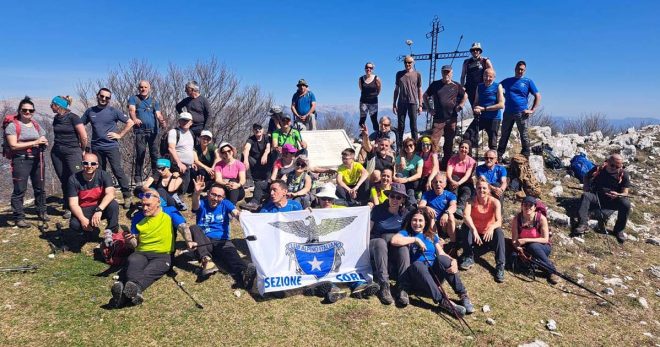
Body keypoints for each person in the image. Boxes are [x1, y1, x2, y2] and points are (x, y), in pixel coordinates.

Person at [110, 189, 187, 307]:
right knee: (133, 262)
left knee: (151, 270)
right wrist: (129, 239)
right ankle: (134, 292)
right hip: (141, 252)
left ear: (158, 202)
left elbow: (183, 227)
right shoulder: (138, 217)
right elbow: (135, 244)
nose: (145, 208)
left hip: (163, 254)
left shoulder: (169, 211)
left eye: (148, 205)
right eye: (143, 205)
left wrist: (190, 241)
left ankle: (122, 297)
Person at [391, 208, 473, 315]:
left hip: (434, 273)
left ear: (425, 222)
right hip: (418, 275)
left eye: (420, 221)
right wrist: (416, 240)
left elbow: (441, 253)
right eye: (414, 220)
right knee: (417, 264)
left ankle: (463, 295)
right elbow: (394, 240)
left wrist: (453, 260)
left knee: (443, 259)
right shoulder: (406, 233)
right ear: (410, 221)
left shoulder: (431, 235)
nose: (417, 223)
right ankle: (443, 301)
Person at [179, 176, 257, 287]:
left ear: (223, 197)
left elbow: (235, 212)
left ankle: (244, 274)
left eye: (219, 196)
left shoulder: (225, 203)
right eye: (213, 194)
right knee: (194, 228)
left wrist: (241, 216)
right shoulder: (202, 202)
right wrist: (196, 193)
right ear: (208, 193)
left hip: (222, 241)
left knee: (232, 256)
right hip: (204, 242)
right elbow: (195, 206)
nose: (215, 198)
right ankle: (207, 261)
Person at [82, 88, 134, 210]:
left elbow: (130, 122)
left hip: (111, 146)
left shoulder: (113, 111)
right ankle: (101, 196)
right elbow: (79, 124)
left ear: (109, 99)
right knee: (99, 172)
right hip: (96, 147)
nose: (104, 99)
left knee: (117, 170)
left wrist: (120, 135)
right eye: (102, 96)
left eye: (107, 97)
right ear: (97, 96)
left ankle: (127, 196)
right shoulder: (90, 111)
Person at [6, 97, 48, 227]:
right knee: (20, 189)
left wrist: (43, 143)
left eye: (31, 110)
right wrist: (35, 142)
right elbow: (13, 145)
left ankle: (42, 211)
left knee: (40, 187)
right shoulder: (13, 126)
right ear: (19, 110)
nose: (28, 112)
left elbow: (43, 137)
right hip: (21, 160)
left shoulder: (36, 124)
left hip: (38, 159)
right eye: (25, 110)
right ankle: (19, 217)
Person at [574, 154, 631, 243]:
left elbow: (625, 192)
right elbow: (586, 176)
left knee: (626, 203)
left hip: (612, 200)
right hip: (596, 197)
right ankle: (583, 224)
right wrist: (586, 186)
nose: (614, 168)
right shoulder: (599, 169)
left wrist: (618, 195)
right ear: (607, 162)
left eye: (618, 166)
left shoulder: (624, 174)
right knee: (585, 196)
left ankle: (619, 230)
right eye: (612, 165)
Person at [67, 153, 120, 249]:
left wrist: (99, 210)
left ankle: (112, 232)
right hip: (84, 208)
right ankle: (88, 232)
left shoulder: (104, 175)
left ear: (97, 165)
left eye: (93, 164)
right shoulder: (73, 179)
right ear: (82, 164)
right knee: (75, 224)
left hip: (99, 207)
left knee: (113, 205)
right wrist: (82, 219)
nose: (89, 166)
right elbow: (73, 204)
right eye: (86, 163)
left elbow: (111, 194)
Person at [369, 183, 410, 305]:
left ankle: (403, 286)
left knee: (403, 247)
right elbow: (368, 230)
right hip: (376, 244)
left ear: (403, 199)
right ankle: (384, 284)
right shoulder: (378, 210)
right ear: (388, 197)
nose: (395, 199)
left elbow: (415, 226)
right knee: (381, 242)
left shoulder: (405, 214)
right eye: (392, 196)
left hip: (393, 246)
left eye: (399, 197)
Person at [459, 179, 506, 283]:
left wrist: (491, 227)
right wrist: (474, 230)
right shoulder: (470, 201)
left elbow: (499, 221)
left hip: (488, 235)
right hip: (475, 236)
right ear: (476, 189)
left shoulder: (495, 202)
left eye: (484, 188)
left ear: (489, 190)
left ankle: (500, 266)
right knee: (465, 226)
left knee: (499, 232)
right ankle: (469, 256)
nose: (482, 190)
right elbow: (466, 216)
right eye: (479, 187)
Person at [50, 95, 87, 218]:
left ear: (58, 106)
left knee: (76, 178)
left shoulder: (73, 118)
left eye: (52, 104)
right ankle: (68, 207)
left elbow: (83, 136)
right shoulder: (56, 118)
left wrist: (82, 149)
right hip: (57, 152)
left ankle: (83, 205)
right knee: (64, 179)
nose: (51, 106)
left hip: (72, 152)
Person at [424, 65, 467, 169]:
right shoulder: (435, 84)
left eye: (448, 72)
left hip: (452, 118)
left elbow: (465, 95)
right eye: (444, 72)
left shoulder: (456, 85)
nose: (446, 74)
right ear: (441, 73)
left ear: (451, 73)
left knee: (449, 143)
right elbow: (425, 95)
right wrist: (429, 109)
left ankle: (445, 165)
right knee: (434, 142)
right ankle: (431, 165)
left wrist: (461, 105)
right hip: (438, 119)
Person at [497, 61, 542, 160]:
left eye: (522, 70)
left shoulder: (528, 81)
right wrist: (503, 96)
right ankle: (499, 155)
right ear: (515, 69)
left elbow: (538, 96)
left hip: (521, 112)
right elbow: (497, 87)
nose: (520, 71)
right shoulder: (508, 81)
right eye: (519, 69)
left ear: (524, 71)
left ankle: (526, 154)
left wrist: (532, 110)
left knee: (524, 134)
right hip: (508, 112)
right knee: (504, 134)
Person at [511, 196, 559, 284]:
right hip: (524, 247)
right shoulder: (516, 219)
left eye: (530, 205)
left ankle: (551, 271)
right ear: (521, 206)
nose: (528, 207)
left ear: (535, 207)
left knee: (532, 246)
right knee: (514, 259)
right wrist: (518, 248)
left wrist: (526, 240)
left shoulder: (541, 219)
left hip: (542, 247)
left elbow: (545, 239)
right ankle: (539, 263)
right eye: (525, 205)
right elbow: (514, 240)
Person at [129, 80, 166, 185]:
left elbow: (158, 114)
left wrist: (162, 121)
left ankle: (156, 178)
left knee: (154, 155)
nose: (143, 89)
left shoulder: (154, 101)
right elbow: (131, 110)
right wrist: (134, 118)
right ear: (138, 88)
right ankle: (138, 179)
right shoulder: (134, 99)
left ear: (149, 88)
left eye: (145, 87)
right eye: (141, 87)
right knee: (140, 154)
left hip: (153, 132)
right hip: (140, 131)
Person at [463, 68, 504, 153]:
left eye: (490, 76)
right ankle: (468, 159)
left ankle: (493, 161)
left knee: (492, 142)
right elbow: (476, 102)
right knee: (468, 135)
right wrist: (475, 108)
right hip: (481, 117)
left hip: (494, 118)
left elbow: (501, 105)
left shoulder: (498, 86)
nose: (487, 78)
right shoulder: (480, 86)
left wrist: (484, 109)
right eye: (485, 76)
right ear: (483, 76)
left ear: (494, 77)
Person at [418, 175, 458, 246]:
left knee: (451, 216)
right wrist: (426, 208)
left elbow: (453, 206)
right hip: (431, 222)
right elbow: (420, 206)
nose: (438, 184)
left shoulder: (450, 194)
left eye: (440, 182)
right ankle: (437, 240)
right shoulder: (427, 194)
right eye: (435, 182)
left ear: (445, 184)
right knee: (429, 214)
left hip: (444, 223)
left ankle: (453, 243)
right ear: (432, 184)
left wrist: (446, 213)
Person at [393, 56, 423, 146]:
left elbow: (419, 90)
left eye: (409, 62)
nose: (407, 64)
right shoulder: (399, 74)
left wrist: (420, 105)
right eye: (406, 62)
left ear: (413, 63)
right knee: (400, 126)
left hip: (413, 102)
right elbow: (396, 89)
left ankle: (416, 147)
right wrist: (394, 104)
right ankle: (399, 146)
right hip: (401, 102)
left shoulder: (417, 74)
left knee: (413, 126)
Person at [242, 123, 271, 208]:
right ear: (253, 131)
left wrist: (265, 154)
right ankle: (249, 182)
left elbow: (268, 148)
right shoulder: (251, 139)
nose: (258, 131)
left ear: (263, 130)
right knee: (244, 157)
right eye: (255, 129)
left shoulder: (266, 137)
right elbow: (246, 149)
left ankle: (267, 180)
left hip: (266, 161)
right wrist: (245, 159)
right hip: (254, 161)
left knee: (273, 154)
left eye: (259, 129)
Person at [446, 140, 476, 218]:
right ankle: (453, 204)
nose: (464, 149)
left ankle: (460, 208)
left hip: (465, 182)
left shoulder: (471, 161)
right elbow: (449, 172)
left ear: (468, 150)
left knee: (467, 190)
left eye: (466, 148)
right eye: (462, 147)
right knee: (454, 177)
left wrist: (458, 183)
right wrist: (452, 181)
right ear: (459, 148)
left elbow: (467, 175)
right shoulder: (452, 159)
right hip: (453, 180)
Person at [168, 112, 195, 194]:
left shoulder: (191, 133)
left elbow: (190, 149)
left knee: (184, 188)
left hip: (188, 166)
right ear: (179, 121)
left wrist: (192, 162)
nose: (185, 122)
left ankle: (178, 203)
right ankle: (175, 203)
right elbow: (171, 148)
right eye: (183, 120)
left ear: (191, 122)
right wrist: (179, 163)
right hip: (177, 165)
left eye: (187, 121)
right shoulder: (174, 132)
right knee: (177, 188)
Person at [460, 42, 494, 107]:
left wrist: (489, 86)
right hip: (470, 89)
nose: (475, 51)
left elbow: (492, 73)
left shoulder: (485, 60)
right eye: (473, 50)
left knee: (483, 107)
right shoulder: (466, 62)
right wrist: (462, 86)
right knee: (474, 107)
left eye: (477, 50)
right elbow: (462, 76)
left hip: (482, 88)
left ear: (480, 51)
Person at [393, 138, 423, 206]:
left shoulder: (419, 159)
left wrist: (406, 180)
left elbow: (419, 174)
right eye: (406, 146)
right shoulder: (400, 157)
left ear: (414, 146)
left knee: (412, 172)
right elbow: (394, 169)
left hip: (410, 181)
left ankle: (411, 205)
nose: (408, 147)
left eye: (411, 145)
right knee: (399, 174)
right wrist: (394, 177)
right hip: (400, 180)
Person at [358, 62, 381, 132]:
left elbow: (379, 88)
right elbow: (361, 89)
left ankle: (377, 135)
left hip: (373, 102)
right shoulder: (361, 79)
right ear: (365, 69)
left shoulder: (376, 78)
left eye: (370, 68)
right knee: (362, 119)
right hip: (363, 102)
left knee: (374, 119)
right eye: (367, 67)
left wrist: (375, 95)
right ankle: (363, 135)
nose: (368, 69)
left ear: (372, 69)